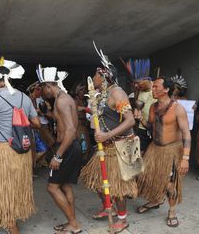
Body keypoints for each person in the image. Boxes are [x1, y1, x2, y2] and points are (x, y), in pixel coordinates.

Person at [0, 49, 40, 234]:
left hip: (3, 151)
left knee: (3, 190)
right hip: (22, 151)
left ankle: (12, 227)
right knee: (15, 188)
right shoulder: (24, 97)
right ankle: (12, 222)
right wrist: (20, 119)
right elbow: (37, 123)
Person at [80, 46, 137, 233]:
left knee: (118, 186)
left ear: (103, 76)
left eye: (95, 76)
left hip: (120, 146)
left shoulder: (117, 93)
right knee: (98, 182)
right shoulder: (103, 94)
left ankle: (122, 219)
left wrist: (106, 135)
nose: (93, 78)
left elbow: (130, 120)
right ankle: (108, 207)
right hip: (106, 146)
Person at [136, 77, 191, 228]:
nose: (152, 89)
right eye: (152, 87)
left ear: (166, 90)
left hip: (171, 150)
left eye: (156, 87)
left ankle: (172, 212)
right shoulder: (153, 107)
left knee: (170, 185)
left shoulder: (177, 109)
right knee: (149, 177)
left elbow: (186, 134)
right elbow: (151, 127)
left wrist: (185, 158)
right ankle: (156, 201)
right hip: (155, 149)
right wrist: (141, 119)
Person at [36, 64, 83, 234]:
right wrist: (46, 114)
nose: (43, 92)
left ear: (49, 85)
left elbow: (70, 130)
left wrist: (58, 155)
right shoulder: (65, 98)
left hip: (67, 147)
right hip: (70, 146)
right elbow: (63, 121)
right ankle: (72, 222)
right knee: (64, 186)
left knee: (52, 187)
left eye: (43, 88)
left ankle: (73, 224)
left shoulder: (62, 100)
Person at [74, 84, 92, 160]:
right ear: (77, 91)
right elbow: (74, 108)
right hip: (79, 125)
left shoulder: (85, 100)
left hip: (85, 125)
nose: (83, 92)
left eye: (84, 90)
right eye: (81, 90)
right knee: (84, 146)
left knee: (88, 146)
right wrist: (85, 109)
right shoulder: (74, 100)